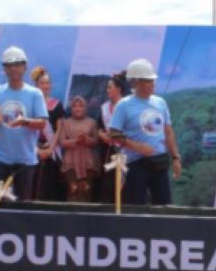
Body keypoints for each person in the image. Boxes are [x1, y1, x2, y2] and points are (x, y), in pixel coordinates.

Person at [109, 59, 181, 205]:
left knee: (164, 206)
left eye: (153, 80)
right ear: (136, 82)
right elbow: (113, 133)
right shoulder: (124, 105)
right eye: (149, 80)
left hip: (159, 163)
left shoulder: (160, 102)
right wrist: (137, 146)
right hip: (136, 164)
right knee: (135, 207)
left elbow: (168, 131)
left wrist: (175, 157)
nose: (153, 84)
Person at [0, 46, 48, 202]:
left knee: (21, 208)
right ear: (4, 69)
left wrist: (24, 121)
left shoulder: (35, 94)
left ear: (24, 66)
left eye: (17, 64)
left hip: (25, 161)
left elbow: (42, 124)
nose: (13, 69)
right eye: (8, 65)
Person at [30, 66, 66, 201]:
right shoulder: (30, 105)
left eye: (48, 83)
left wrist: (50, 149)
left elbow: (58, 130)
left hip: (51, 151)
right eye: (42, 83)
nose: (45, 86)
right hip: (33, 149)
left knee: (48, 185)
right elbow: (27, 130)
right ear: (36, 85)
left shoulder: (57, 105)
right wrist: (37, 149)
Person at [58, 96, 101, 202]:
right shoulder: (66, 123)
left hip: (88, 161)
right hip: (70, 161)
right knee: (73, 188)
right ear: (71, 108)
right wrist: (75, 140)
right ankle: (70, 217)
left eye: (81, 106)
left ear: (85, 108)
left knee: (85, 189)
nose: (78, 108)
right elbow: (62, 142)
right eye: (75, 106)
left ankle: (86, 217)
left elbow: (96, 142)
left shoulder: (92, 122)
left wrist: (85, 139)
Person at [97, 71, 128, 202]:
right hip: (108, 151)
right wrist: (101, 135)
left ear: (119, 88)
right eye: (107, 87)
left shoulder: (127, 106)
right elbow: (98, 127)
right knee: (108, 186)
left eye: (110, 87)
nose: (107, 90)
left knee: (122, 185)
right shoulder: (104, 107)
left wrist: (117, 137)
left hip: (124, 151)